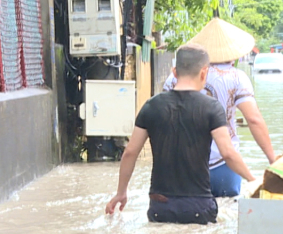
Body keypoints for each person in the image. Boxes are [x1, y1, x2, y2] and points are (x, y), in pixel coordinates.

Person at [106, 44, 256, 224]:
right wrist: (253, 180)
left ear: (174, 72)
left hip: (159, 207)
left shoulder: (151, 105)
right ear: (203, 73)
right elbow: (228, 153)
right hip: (199, 208)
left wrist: (121, 193)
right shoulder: (211, 108)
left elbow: (130, 152)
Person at [163, 18, 276, 197]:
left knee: (186, 217)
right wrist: (273, 160)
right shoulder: (237, 77)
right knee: (226, 217)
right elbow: (253, 119)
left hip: (183, 167)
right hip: (224, 166)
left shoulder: (174, 78)